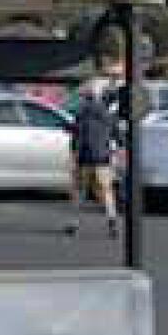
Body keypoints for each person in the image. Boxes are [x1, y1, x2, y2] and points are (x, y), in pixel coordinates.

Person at [66, 80, 119, 239]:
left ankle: (75, 224)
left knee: (80, 191)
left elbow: (77, 136)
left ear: (87, 98)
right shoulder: (107, 115)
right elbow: (117, 136)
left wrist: (74, 154)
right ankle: (112, 222)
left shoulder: (81, 114)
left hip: (85, 157)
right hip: (103, 157)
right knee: (106, 191)